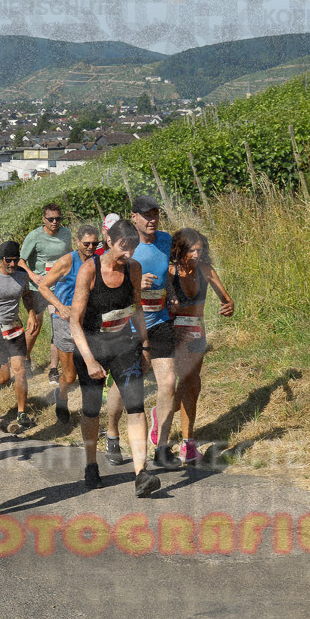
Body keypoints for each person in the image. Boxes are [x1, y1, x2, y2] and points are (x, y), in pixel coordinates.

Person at [68, 219, 160, 496]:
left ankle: (141, 473)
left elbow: (137, 308)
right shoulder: (89, 270)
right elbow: (75, 320)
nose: (129, 254)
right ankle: (91, 464)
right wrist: (90, 360)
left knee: (136, 407)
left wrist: (145, 346)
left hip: (123, 344)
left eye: (133, 247)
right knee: (91, 410)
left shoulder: (133, 268)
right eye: (123, 247)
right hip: (92, 345)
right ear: (108, 242)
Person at [106, 195, 180, 470]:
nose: (152, 220)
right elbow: (110, 281)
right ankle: (112, 435)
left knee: (169, 383)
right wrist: (136, 282)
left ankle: (161, 446)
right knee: (123, 385)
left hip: (159, 320)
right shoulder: (125, 245)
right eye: (146, 215)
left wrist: (170, 292)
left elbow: (168, 274)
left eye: (155, 214)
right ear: (133, 217)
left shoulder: (165, 240)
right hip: (129, 325)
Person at [166, 228, 234, 464]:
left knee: (192, 386)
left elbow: (227, 300)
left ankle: (188, 444)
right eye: (191, 250)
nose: (196, 254)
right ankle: (163, 414)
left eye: (199, 250)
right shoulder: (170, 271)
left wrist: (228, 306)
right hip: (174, 334)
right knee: (179, 386)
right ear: (179, 250)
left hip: (197, 333)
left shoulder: (206, 271)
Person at [39, 223, 100, 439]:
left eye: (95, 243)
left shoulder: (98, 260)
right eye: (87, 243)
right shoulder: (67, 261)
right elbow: (43, 286)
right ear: (78, 242)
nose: (91, 247)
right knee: (70, 374)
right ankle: (61, 395)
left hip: (88, 321)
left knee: (90, 372)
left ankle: (89, 415)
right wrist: (60, 307)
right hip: (65, 321)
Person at [19, 203, 72, 384]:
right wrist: (32, 275)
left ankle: (53, 368)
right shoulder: (35, 236)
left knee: (58, 324)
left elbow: (69, 256)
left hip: (59, 287)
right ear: (44, 219)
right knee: (35, 326)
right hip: (38, 287)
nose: (55, 222)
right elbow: (20, 261)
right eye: (51, 219)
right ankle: (24, 359)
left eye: (58, 218)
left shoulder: (66, 234)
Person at [0, 240, 35, 429]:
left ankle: (21, 413)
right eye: (8, 260)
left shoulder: (22, 275)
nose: (12, 264)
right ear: (1, 259)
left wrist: (32, 313)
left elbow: (26, 296)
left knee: (21, 370)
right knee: (2, 378)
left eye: (16, 260)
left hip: (15, 328)